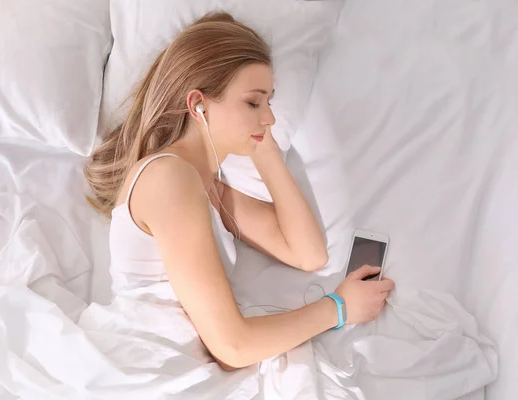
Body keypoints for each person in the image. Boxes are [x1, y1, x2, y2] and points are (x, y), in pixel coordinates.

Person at [85, 11, 395, 371]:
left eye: (270, 102)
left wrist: (263, 147)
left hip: (175, 364)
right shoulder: (170, 179)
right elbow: (232, 345)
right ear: (198, 104)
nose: (270, 117)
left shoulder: (204, 187)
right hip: (149, 363)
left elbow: (308, 254)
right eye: (253, 102)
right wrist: (337, 309)